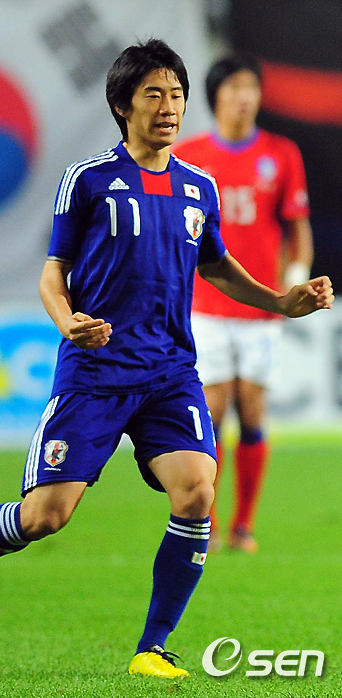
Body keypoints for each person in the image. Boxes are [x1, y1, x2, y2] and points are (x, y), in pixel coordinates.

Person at [0, 40, 332, 679]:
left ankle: (152, 648)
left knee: (197, 490)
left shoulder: (198, 187)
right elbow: (54, 272)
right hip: (95, 373)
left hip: (169, 370)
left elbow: (215, 266)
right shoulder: (89, 181)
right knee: (46, 516)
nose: (169, 106)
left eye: (176, 95)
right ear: (123, 105)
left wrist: (279, 301)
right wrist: (68, 320)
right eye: (154, 94)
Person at [173, 55, 314, 553]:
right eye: (235, 87)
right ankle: (206, 523)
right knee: (212, 410)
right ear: (216, 96)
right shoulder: (188, 157)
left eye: (252, 87)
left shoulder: (281, 153)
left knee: (252, 412)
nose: (245, 96)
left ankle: (244, 526)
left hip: (262, 306)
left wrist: (293, 282)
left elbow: (296, 226)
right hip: (206, 305)